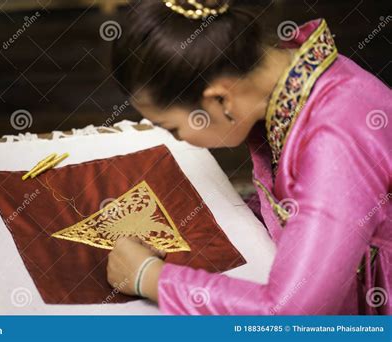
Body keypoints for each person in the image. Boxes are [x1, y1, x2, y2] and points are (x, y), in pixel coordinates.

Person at [106, 0, 392, 314]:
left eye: (173, 128)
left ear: (219, 99)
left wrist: (149, 278)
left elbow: (293, 311)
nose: (178, 140)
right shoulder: (298, 75)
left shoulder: (335, 141)